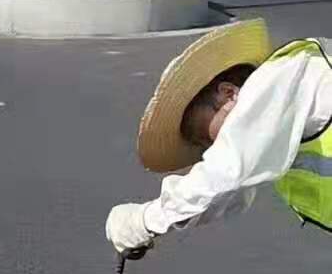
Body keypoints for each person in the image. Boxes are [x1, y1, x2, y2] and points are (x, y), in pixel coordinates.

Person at [106, 18, 332, 255]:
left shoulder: (278, 78)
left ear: (228, 94)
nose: (210, 146)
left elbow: (225, 173)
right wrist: (151, 226)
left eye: (203, 134)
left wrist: (144, 219)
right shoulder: (274, 123)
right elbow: (228, 194)